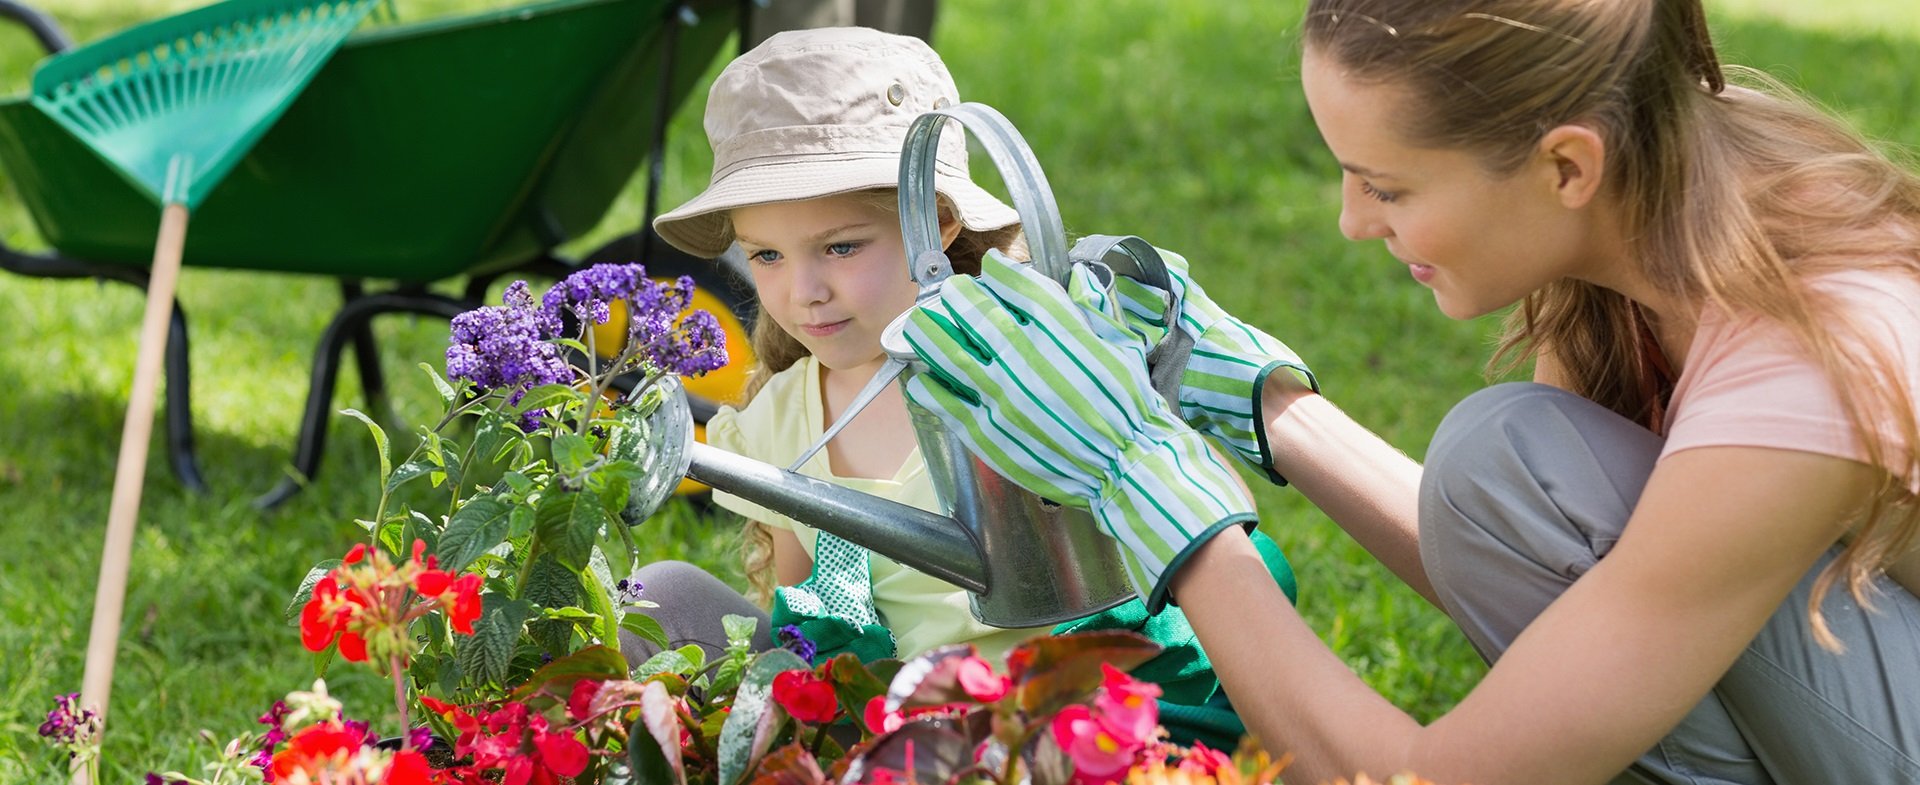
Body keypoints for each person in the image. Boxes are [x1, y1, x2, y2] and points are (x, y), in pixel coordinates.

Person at [894, 1, 1920, 783]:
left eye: (1386, 186)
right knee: (1502, 461)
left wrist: (1154, 490)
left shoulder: (1800, 344)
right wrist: (1257, 396)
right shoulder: (1654, 188)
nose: (1349, 221)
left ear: (1567, 164)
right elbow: (1579, 597)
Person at [624, 26, 1296, 747]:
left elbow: (1217, 514)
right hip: (892, 717)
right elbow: (802, 620)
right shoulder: (784, 416)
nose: (804, 291)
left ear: (936, 223)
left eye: (841, 246)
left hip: (1065, 717)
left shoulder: (1024, 367)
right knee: (663, 593)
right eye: (767, 255)